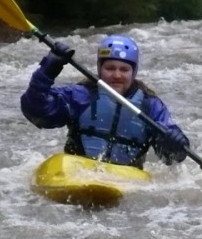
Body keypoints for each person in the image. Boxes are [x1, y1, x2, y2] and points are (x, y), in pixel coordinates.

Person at [20, 34, 190, 169]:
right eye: (110, 68)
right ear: (100, 69)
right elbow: (36, 111)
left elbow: (171, 158)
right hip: (78, 173)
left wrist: (174, 143)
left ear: (133, 72)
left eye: (124, 69)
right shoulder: (82, 95)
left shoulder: (150, 105)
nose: (117, 75)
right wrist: (46, 72)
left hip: (127, 178)